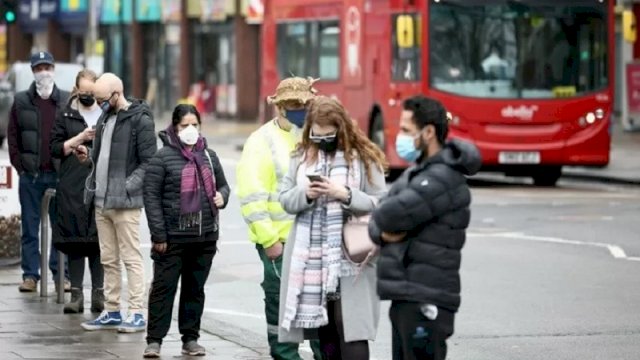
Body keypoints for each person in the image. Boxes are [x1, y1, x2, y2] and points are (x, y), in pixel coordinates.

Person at [368, 96, 481, 360]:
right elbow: (378, 221)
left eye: (407, 130)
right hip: (407, 293)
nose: (401, 137)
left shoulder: (442, 178)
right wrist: (382, 231)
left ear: (428, 132)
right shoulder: (419, 172)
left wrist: (382, 228)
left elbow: (386, 215)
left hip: (426, 296)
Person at [278, 96, 388, 359]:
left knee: (352, 330)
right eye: (317, 134)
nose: (322, 140)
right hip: (313, 262)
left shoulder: (364, 155)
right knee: (325, 332)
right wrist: (307, 192)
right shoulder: (301, 154)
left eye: (329, 135)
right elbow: (284, 198)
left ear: (342, 128)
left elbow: (381, 202)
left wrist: (346, 194)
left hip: (352, 257)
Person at [236, 76, 322, 360]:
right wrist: (269, 240)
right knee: (281, 302)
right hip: (280, 241)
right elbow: (252, 196)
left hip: (314, 239)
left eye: (304, 104)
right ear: (279, 107)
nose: (300, 109)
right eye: (293, 104)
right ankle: (285, 354)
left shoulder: (314, 135)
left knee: (317, 303)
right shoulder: (262, 141)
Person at [142, 104, 230, 358]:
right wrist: (158, 235)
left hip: (205, 237)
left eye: (194, 124)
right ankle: (154, 340)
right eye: (184, 125)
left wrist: (222, 197)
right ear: (175, 126)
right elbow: (151, 197)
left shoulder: (210, 157)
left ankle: (190, 339)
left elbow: (224, 186)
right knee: (163, 288)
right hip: (172, 238)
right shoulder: (162, 158)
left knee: (194, 289)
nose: (190, 130)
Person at [75, 73, 157, 332]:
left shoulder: (140, 120)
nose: (97, 104)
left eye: (101, 99)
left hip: (125, 203)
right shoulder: (105, 116)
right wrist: (88, 156)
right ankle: (112, 310)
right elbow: (105, 156)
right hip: (101, 201)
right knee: (108, 259)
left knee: (131, 258)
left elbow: (149, 163)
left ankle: (136, 312)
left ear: (116, 94)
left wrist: (125, 187)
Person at [7, 51, 70, 293]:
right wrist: (20, 166)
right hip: (31, 177)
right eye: (39, 67)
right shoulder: (21, 100)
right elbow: (12, 136)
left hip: (57, 175)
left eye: (47, 67)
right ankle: (30, 275)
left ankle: (60, 274)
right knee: (30, 228)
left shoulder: (65, 100)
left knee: (59, 228)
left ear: (53, 69)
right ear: (33, 72)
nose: (44, 71)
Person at [50, 69, 104, 314]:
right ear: (76, 90)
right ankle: (76, 296)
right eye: (83, 92)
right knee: (74, 241)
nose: (87, 96)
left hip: (99, 182)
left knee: (98, 242)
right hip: (72, 183)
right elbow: (54, 148)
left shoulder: (106, 113)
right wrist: (79, 138)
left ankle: (99, 295)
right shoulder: (66, 113)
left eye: (91, 92)